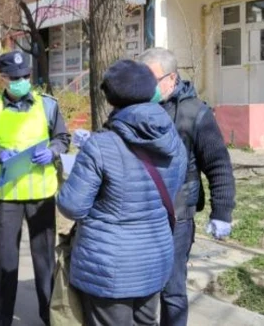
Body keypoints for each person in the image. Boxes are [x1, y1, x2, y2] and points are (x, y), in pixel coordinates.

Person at [56, 60, 187, 326]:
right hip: (155, 259)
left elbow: (72, 206)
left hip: (110, 267)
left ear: (111, 99)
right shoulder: (173, 139)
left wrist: (71, 174)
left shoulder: (101, 146)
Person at [0, 51, 70, 326]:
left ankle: (50, 316)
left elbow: (63, 138)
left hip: (42, 195)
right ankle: (2, 319)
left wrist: (53, 151)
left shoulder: (48, 106)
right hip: (7, 198)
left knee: (45, 260)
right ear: (3, 78)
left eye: (26, 76)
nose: (22, 81)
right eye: (15, 78)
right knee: (5, 260)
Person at [137, 47, 236, 326]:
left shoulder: (195, 113)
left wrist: (222, 212)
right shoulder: (137, 108)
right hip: (140, 213)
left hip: (177, 215)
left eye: (152, 79)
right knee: (141, 286)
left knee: (172, 288)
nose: (146, 86)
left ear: (172, 78)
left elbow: (218, 165)